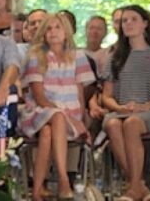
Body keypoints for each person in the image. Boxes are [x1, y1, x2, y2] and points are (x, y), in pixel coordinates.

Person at [100, 5, 150, 201]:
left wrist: (145, 106)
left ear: (145, 23)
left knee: (132, 123)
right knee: (112, 124)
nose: (128, 24)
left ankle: (133, 187)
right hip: (122, 110)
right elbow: (106, 96)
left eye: (133, 19)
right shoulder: (115, 57)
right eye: (124, 20)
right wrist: (119, 107)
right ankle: (139, 186)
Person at [19, 13, 96, 201]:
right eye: (48, 28)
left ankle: (37, 191)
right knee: (56, 118)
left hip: (68, 116)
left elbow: (80, 93)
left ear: (66, 31)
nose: (53, 32)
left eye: (57, 27)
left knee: (47, 133)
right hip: (38, 112)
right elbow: (39, 97)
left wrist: (82, 120)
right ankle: (63, 180)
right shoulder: (36, 56)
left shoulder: (78, 56)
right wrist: (69, 120)